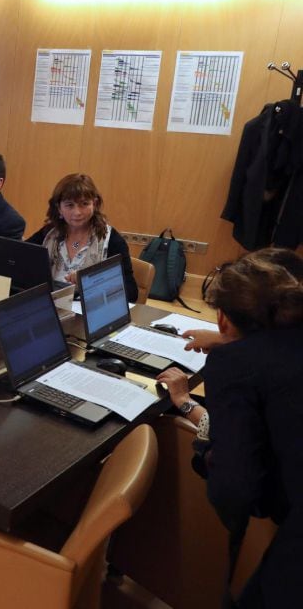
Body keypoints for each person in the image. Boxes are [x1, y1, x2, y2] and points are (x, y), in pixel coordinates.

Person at [156, 248, 303, 607]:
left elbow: (234, 489)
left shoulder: (235, 367)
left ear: (222, 318)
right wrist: (227, 341)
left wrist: (208, 451)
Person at [25, 173, 137, 301]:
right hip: (48, 306)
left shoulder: (112, 241)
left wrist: (89, 283)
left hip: (89, 313)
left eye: (84, 204)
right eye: (69, 205)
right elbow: (19, 259)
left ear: (94, 204)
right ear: (59, 208)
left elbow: (131, 293)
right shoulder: (48, 233)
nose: (77, 212)